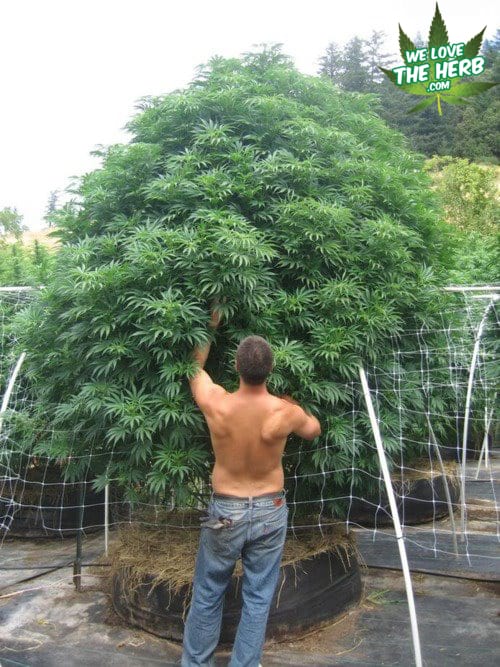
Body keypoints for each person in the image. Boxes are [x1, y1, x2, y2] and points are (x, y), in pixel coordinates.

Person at [181, 307, 321, 667]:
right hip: (270, 510)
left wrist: (210, 328)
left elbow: (193, 369)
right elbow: (314, 429)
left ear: (237, 368)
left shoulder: (218, 404)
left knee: (208, 592)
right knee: (258, 597)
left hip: (225, 509)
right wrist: (292, 405)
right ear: (270, 369)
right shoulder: (283, 412)